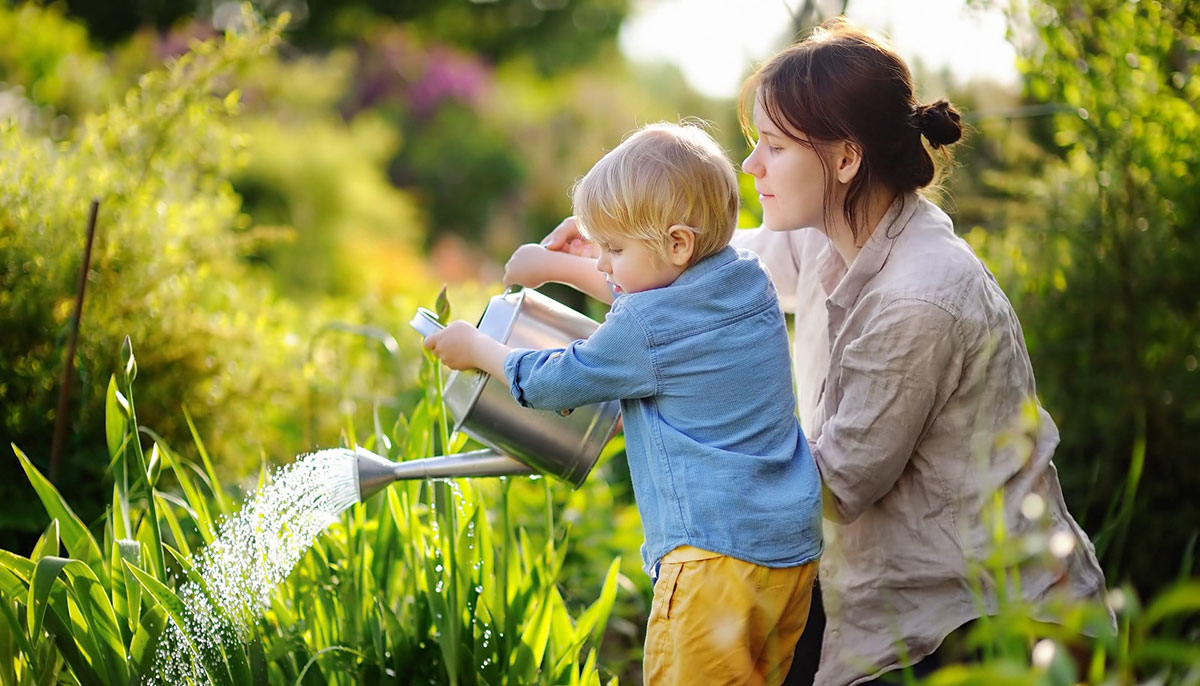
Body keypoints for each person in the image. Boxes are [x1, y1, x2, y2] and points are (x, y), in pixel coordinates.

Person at [540, 20, 1111, 686]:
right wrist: (610, 248)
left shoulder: (919, 296)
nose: (750, 167)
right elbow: (708, 278)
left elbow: (839, 485)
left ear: (845, 160)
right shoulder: (827, 235)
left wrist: (677, 414)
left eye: (774, 147)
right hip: (892, 607)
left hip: (986, 630)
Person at [424, 122, 824, 686]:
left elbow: (556, 381)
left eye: (613, 249)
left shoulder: (644, 324)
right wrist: (563, 264)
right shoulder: (747, 280)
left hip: (711, 561)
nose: (606, 264)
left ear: (679, 243)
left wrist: (479, 349)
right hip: (789, 553)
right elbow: (658, 293)